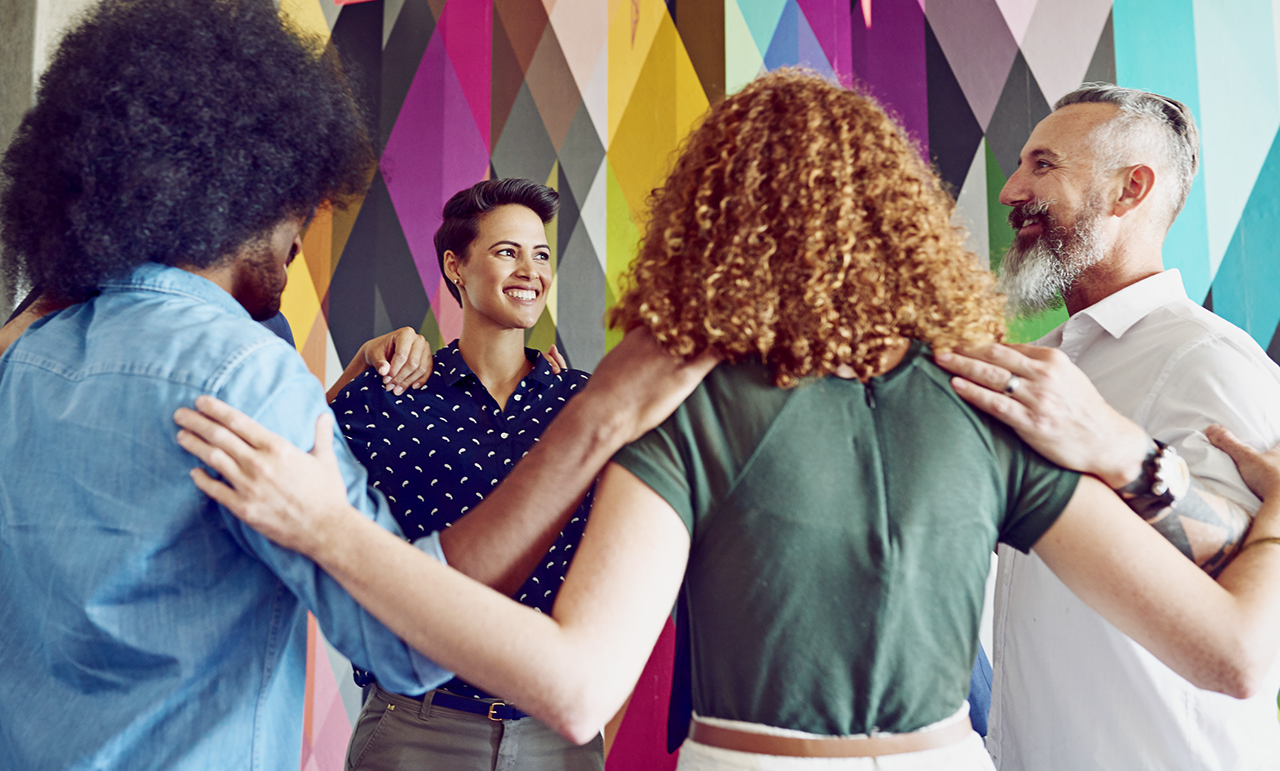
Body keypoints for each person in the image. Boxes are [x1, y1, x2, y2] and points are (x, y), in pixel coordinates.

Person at [176, 70, 1280, 770]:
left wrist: (332, 530)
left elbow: (570, 686)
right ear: (894, 218)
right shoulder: (990, 400)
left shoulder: (681, 405)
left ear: (714, 217)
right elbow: (1234, 653)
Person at [0, 0, 707, 771]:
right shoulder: (249, 374)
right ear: (245, 183)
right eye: (301, 198)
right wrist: (602, 415)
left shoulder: (26, 355)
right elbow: (408, 647)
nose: (304, 228)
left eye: (541, 254)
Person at [935, 83, 1280, 770]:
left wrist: (1128, 456)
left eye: (1043, 165)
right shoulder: (1052, 358)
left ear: (1130, 190)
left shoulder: (1207, 359)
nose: (1009, 191)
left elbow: (1243, 577)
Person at [334, 178, 602, 771]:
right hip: (418, 729)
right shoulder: (395, 392)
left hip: (556, 732)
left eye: (540, 254)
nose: (530, 270)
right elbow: (295, 469)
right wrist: (356, 368)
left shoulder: (585, 405)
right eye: (507, 251)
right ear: (455, 267)